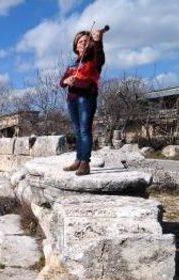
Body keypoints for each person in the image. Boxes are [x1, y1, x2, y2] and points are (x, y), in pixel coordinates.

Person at [59, 27, 107, 176]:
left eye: (86, 41)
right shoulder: (72, 65)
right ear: (76, 45)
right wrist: (67, 80)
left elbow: (100, 57)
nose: (83, 43)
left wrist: (98, 40)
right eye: (80, 41)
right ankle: (78, 160)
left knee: (85, 130)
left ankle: (85, 163)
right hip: (72, 99)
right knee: (78, 131)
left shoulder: (94, 59)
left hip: (86, 98)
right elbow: (61, 83)